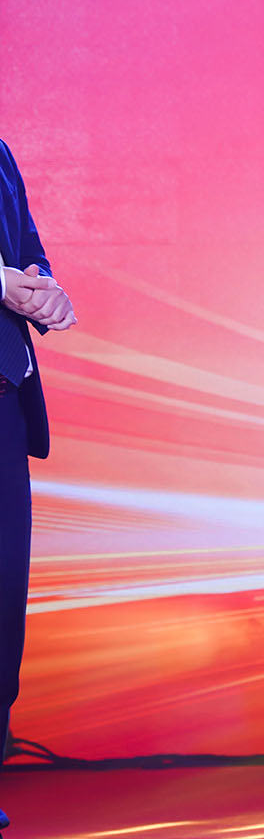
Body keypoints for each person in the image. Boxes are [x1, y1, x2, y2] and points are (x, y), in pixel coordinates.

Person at [0, 140, 78, 834]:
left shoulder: (0, 152)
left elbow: (27, 249)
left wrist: (40, 287)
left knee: (3, 614)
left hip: (5, 404)